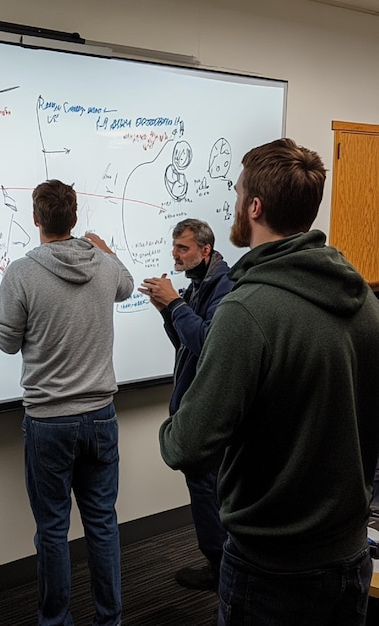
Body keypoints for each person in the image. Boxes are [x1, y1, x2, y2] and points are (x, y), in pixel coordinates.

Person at [159, 138, 379, 625]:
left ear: (254, 207)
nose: (235, 203)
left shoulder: (246, 309)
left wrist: (170, 428)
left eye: (238, 193)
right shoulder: (363, 298)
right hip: (349, 556)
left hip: (271, 568)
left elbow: (186, 448)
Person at [0, 179, 133, 626]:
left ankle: (56, 622)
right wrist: (106, 250)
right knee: (103, 523)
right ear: (74, 218)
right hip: (101, 418)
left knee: (53, 530)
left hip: (49, 422)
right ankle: (109, 619)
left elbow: (5, 342)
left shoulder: (21, 272)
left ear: (36, 219)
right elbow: (127, 288)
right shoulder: (105, 266)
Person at [139, 218, 232, 591]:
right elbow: (183, 344)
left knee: (207, 492)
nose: (175, 254)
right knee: (207, 491)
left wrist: (175, 304)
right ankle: (220, 566)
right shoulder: (199, 284)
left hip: (208, 410)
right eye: (174, 246)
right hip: (196, 405)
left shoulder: (223, 288)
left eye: (183, 248)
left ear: (204, 250)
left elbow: (208, 345)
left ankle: (222, 570)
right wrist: (167, 310)